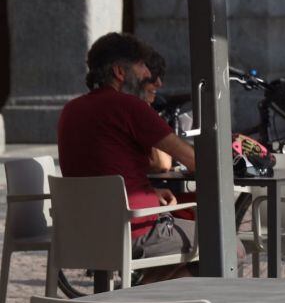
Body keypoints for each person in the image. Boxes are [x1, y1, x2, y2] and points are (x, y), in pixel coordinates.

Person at [57, 32, 198, 282]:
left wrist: (149, 196)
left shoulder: (70, 110)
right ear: (120, 72)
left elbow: (99, 173)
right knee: (230, 247)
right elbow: (195, 162)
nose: (148, 74)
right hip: (132, 231)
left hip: (82, 234)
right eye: (142, 65)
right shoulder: (129, 107)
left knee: (169, 262)